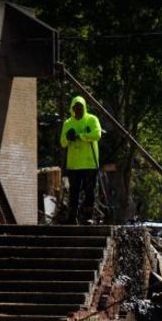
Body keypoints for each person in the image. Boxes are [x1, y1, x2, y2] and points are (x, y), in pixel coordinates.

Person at [59, 95, 102, 225]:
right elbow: (62, 143)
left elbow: (97, 134)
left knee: (89, 190)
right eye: (76, 108)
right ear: (72, 108)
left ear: (84, 108)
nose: (78, 110)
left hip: (89, 163)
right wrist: (68, 137)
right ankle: (72, 217)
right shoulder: (68, 123)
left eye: (80, 107)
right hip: (74, 165)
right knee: (74, 192)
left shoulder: (91, 120)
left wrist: (81, 136)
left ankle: (89, 216)